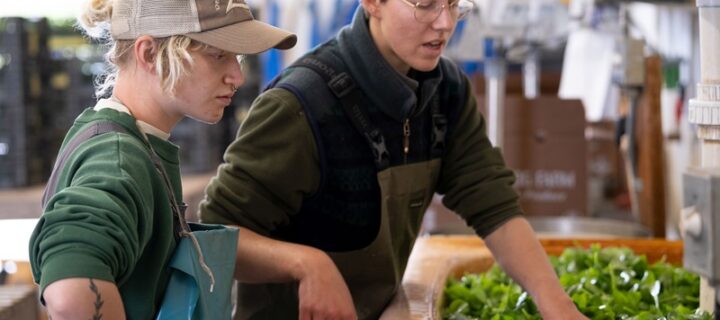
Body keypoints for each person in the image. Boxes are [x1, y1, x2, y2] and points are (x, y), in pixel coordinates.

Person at [200, 0, 589, 319]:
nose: (444, 24)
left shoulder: (446, 93)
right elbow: (216, 240)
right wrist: (306, 264)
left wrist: (557, 305)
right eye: (426, 5)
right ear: (373, 4)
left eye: (455, 6)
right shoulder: (302, 105)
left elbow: (495, 206)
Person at [25, 0, 361, 319]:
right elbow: (70, 292)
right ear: (149, 53)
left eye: (237, 57)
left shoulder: (128, 139)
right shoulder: (119, 160)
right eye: (217, 55)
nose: (237, 76)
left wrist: (305, 263)